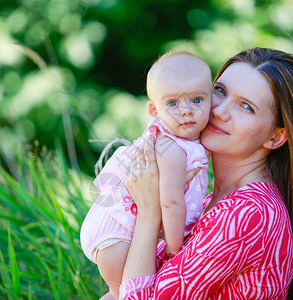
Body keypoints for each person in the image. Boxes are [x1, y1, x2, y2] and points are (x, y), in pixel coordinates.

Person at [122, 47, 293, 299]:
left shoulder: (248, 214)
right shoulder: (208, 202)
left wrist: (148, 213)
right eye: (220, 91)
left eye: (246, 107)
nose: (218, 111)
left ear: (276, 137)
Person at [80, 52, 213, 299]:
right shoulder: (171, 148)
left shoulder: (185, 142)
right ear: (154, 109)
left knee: (117, 294)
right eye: (172, 103)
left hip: (121, 231)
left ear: (211, 100)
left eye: (197, 100)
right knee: (128, 293)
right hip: (116, 233)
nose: (186, 111)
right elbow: (171, 202)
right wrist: (175, 249)